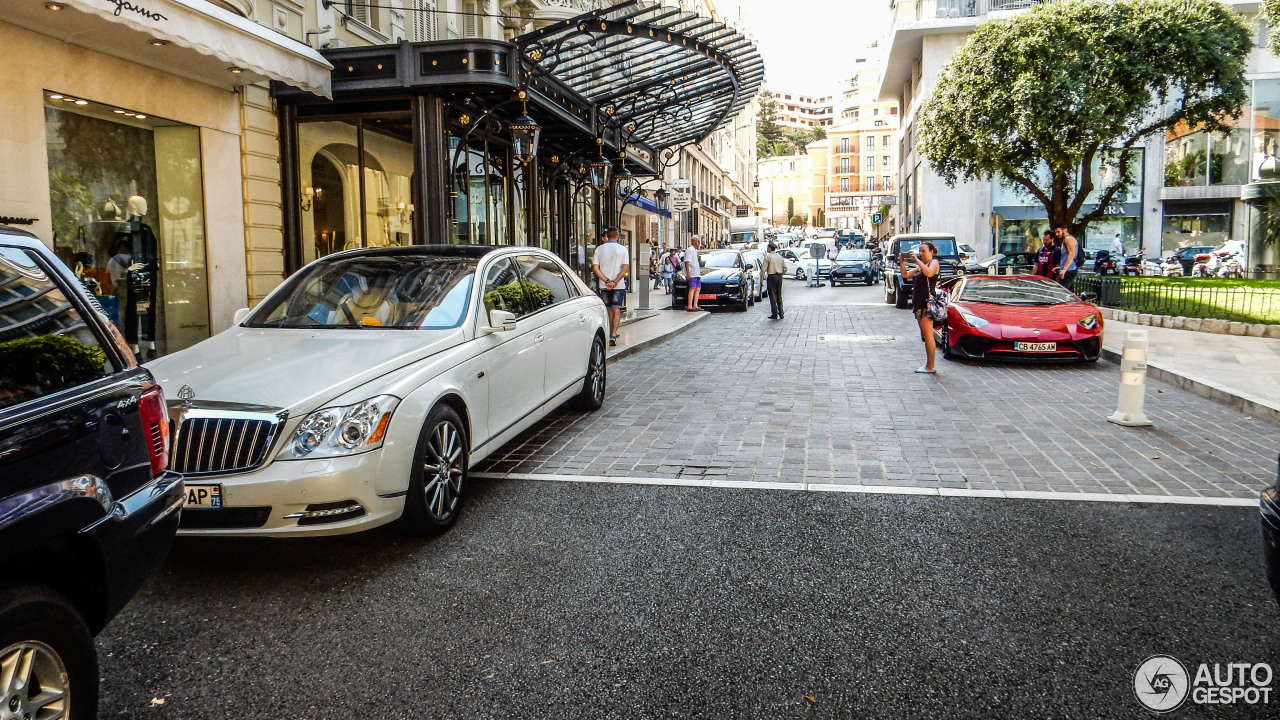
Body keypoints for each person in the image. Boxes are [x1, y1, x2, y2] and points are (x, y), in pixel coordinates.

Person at [900, 241, 940, 374]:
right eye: (919, 251)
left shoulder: (934, 263)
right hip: (918, 304)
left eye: (923, 251)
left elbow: (929, 273)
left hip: (926, 304)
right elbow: (905, 275)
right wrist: (902, 262)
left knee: (928, 335)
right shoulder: (920, 267)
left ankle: (930, 366)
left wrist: (917, 260)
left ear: (931, 252)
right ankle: (929, 365)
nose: (920, 254)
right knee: (925, 334)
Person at [592, 226, 629, 346]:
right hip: (618, 285)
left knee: (607, 310)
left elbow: (595, 268)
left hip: (604, 285)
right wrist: (615, 281)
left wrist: (607, 280)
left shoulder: (599, 249)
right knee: (616, 309)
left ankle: (608, 333)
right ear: (617, 236)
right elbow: (625, 268)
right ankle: (613, 334)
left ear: (607, 236)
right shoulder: (623, 249)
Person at [763, 242, 787, 320]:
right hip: (779, 276)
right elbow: (785, 268)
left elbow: (763, 269)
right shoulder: (780, 257)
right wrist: (781, 274)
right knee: (779, 295)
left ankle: (774, 313)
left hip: (771, 276)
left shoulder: (768, 257)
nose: (767, 249)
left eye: (767, 247)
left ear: (770, 248)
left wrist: (761, 279)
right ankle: (781, 313)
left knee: (772, 295)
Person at [1053, 223, 1079, 290]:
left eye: (1058, 232)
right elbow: (1067, 256)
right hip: (1069, 269)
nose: (1056, 234)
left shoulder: (1068, 239)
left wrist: (1064, 269)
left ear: (1065, 230)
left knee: (1062, 292)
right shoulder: (1066, 239)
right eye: (1055, 232)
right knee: (1069, 292)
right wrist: (1060, 267)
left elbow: (1071, 254)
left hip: (1069, 270)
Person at [683, 235, 703, 311]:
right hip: (692, 273)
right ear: (694, 242)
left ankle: (695, 305)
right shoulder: (689, 250)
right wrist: (688, 273)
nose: (699, 243)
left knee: (697, 289)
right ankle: (689, 306)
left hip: (696, 273)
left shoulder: (695, 250)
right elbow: (687, 262)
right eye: (698, 241)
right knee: (692, 289)